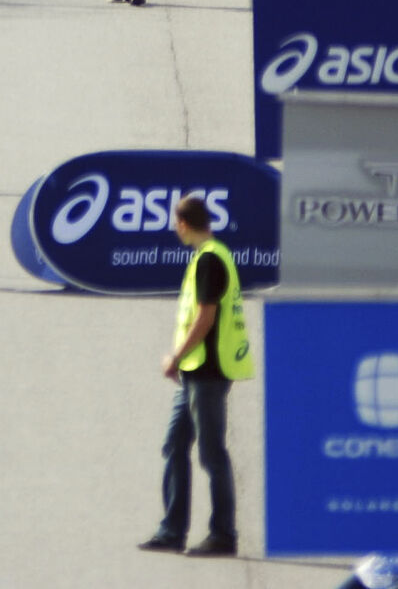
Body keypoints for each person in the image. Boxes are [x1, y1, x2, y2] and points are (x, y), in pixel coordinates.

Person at [139, 193, 252, 558]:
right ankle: (172, 530)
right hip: (195, 371)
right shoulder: (212, 255)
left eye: (176, 223)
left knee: (211, 453)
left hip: (207, 372)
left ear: (184, 224)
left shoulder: (209, 261)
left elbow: (205, 319)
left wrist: (175, 356)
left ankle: (223, 535)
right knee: (174, 445)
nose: (175, 229)